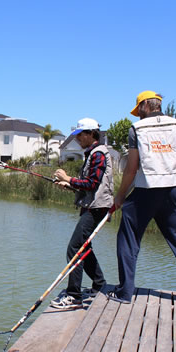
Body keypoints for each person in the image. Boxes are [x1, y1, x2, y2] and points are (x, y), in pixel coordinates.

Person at [108, 91, 176, 304]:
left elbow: (131, 169)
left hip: (146, 189)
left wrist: (120, 196)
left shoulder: (137, 129)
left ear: (144, 107)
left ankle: (124, 292)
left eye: (138, 110)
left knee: (128, 237)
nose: (137, 115)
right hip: (171, 190)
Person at [50, 118, 114, 310]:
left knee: (75, 248)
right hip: (91, 205)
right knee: (85, 248)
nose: (77, 138)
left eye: (80, 135)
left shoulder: (99, 154)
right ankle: (99, 285)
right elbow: (88, 186)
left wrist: (68, 177)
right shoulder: (91, 154)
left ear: (91, 134)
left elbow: (93, 184)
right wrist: (70, 185)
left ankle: (74, 296)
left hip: (97, 208)